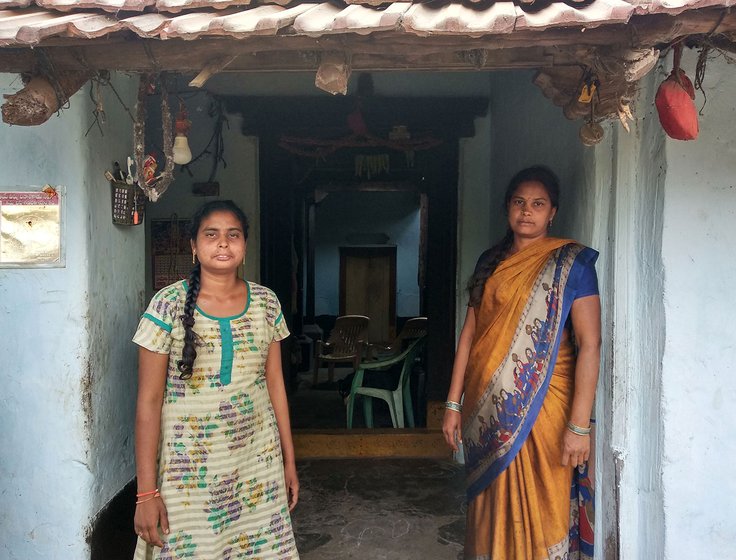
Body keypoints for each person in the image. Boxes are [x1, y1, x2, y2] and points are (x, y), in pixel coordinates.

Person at [443, 166, 600, 560]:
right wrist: (452, 402)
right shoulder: (490, 262)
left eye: (537, 204)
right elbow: (469, 335)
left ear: (553, 213)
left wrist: (579, 426)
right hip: (488, 412)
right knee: (491, 498)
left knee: (543, 499)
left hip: (546, 408)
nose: (527, 212)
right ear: (507, 209)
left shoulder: (572, 264)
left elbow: (590, 343)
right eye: (519, 202)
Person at [132, 200, 300, 559]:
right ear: (194, 246)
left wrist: (289, 460)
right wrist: (146, 492)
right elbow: (148, 402)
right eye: (211, 235)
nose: (223, 243)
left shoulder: (267, 304)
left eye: (232, 235)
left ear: (245, 246)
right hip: (188, 476)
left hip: (257, 464)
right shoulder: (167, 306)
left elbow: (275, 387)